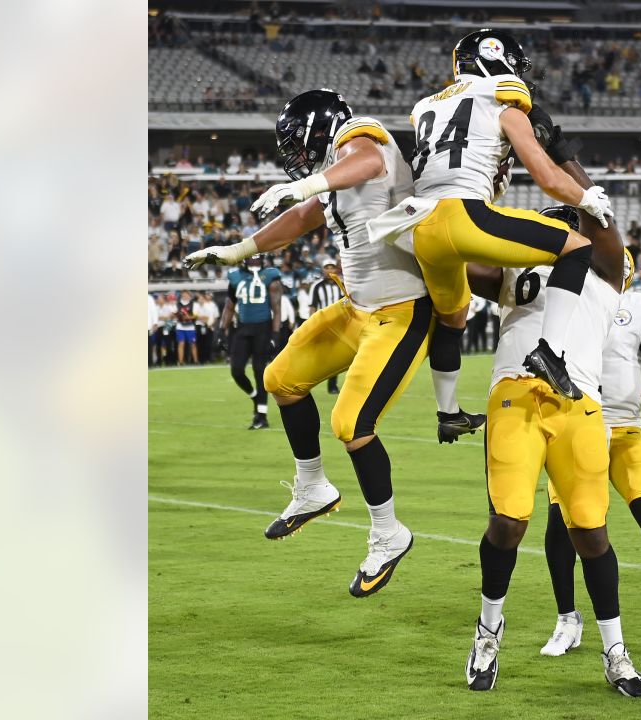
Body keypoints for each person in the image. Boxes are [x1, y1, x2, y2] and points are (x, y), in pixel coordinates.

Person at [187, 90, 484, 598]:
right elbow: (304, 218)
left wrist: (308, 182)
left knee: (350, 422)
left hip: (402, 311)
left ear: (317, 129)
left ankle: (389, 533)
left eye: (295, 144)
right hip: (357, 309)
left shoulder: (361, 137)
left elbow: (367, 161)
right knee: (280, 378)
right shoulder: (329, 176)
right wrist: (239, 250)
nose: (293, 156)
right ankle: (312, 487)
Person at [460, 150, 641, 697]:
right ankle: (488, 634)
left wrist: (567, 164)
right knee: (510, 522)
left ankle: (616, 654)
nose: (562, 228)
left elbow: (604, 227)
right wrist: (477, 202)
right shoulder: (518, 265)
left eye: (567, 221)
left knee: (591, 532)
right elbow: (467, 260)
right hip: (516, 393)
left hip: (581, 404)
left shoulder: (606, 267)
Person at [367, 29, 615, 406]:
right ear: (495, 58)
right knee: (577, 249)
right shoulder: (504, 104)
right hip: (462, 217)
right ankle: (549, 352)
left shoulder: (426, 107)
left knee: (452, 316)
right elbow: (547, 179)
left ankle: (447, 411)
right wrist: (586, 198)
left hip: (419, 227)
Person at [540, 248, 641, 659]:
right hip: (578, 429)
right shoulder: (569, 300)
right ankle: (567, 619)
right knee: (561, 525)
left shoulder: (636, 306)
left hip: (625, 432)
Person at [222, 256, 283, 429]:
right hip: (242, 328)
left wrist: (276, 334)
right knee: (236, 370)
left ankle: (261, 416)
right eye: (252, 260)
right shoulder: (235, 277)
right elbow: (229, 306)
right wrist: (221, 330)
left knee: (259, 370)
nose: (255, 263)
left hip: (263, 328)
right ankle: (255, 396)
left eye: (258, 260)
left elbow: (277, 309)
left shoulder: (270, 276)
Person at [309, 259, 346, 394]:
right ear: (322, 270)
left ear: (336, 269)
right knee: (319, 355)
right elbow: (312, 306)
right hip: (322, 324)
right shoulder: (317, 286)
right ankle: (308, 381)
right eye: (327, 267)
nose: (329, 270)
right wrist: (312, 325)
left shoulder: (342, 284)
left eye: (332, 267)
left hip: (339, 325)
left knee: (335, 356)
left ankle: (332, 385)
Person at [175, 291, 199, 365]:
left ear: (189, 296)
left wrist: (189, 317)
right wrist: (179, 316)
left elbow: (196, 315)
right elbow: (174, 313)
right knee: (181, 344)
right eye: (183, 295)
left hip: (190, 327)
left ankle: (195, 361)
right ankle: (180, 361)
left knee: (192, 344)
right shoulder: (177, 304)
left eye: (186, 295)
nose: (185, 296)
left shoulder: (194, 304)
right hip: (180, 327)